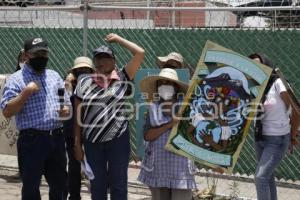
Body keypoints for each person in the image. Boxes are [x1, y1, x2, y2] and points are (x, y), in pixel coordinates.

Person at [74, 33, 144, 200]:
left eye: (106, 58)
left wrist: (119, 39)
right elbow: (78, 116)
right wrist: (77, 144)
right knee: (97, 185)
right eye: (98, 58)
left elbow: (140, 53)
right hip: (92, 141)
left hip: (118, 140)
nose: (101, 61)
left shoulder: (123, 77)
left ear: (114, 61)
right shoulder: (84, 82)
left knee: (118, 185)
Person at [0, 37, 70, 200]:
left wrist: (66, 110)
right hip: (32, 141)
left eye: (44, 53)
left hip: (56, 138)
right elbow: (7, 111)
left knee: (60, 186)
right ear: (26, 56)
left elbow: (65, 103)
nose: (41, 57)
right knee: (31, 188)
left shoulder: (54, 76)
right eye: (36, 53)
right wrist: (26, 92)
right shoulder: (16, 79)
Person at [138, 68, 197, 200]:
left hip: (181, 168)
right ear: (157, 87)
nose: (164, 86)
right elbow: (147, 136)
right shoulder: (153, 108)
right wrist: (171, 124)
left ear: (175, 87)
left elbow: (193, 135)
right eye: (161, 83)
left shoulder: (186, 108)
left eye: (168, 83)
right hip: (158, 167)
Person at [249, 53, 300, 200]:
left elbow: (297, 110)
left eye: (260, 65)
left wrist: (293, 134)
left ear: (267, 65)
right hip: (259, 137)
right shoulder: (254, 86)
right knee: (267, 177)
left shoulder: (278, 83)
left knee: (260, 177)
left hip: (277, 139)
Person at [63, 57, 94, 200]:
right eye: (79, 70)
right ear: (74, 72)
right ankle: (74, 196)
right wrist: (68, 85)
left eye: (86, 70)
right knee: (74, 166)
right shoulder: (67, 86)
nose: (83, 72)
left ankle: (97, 194)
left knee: (94, 166)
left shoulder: (95, 85)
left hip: (91, 132)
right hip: (71, 132)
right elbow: (62, 105)